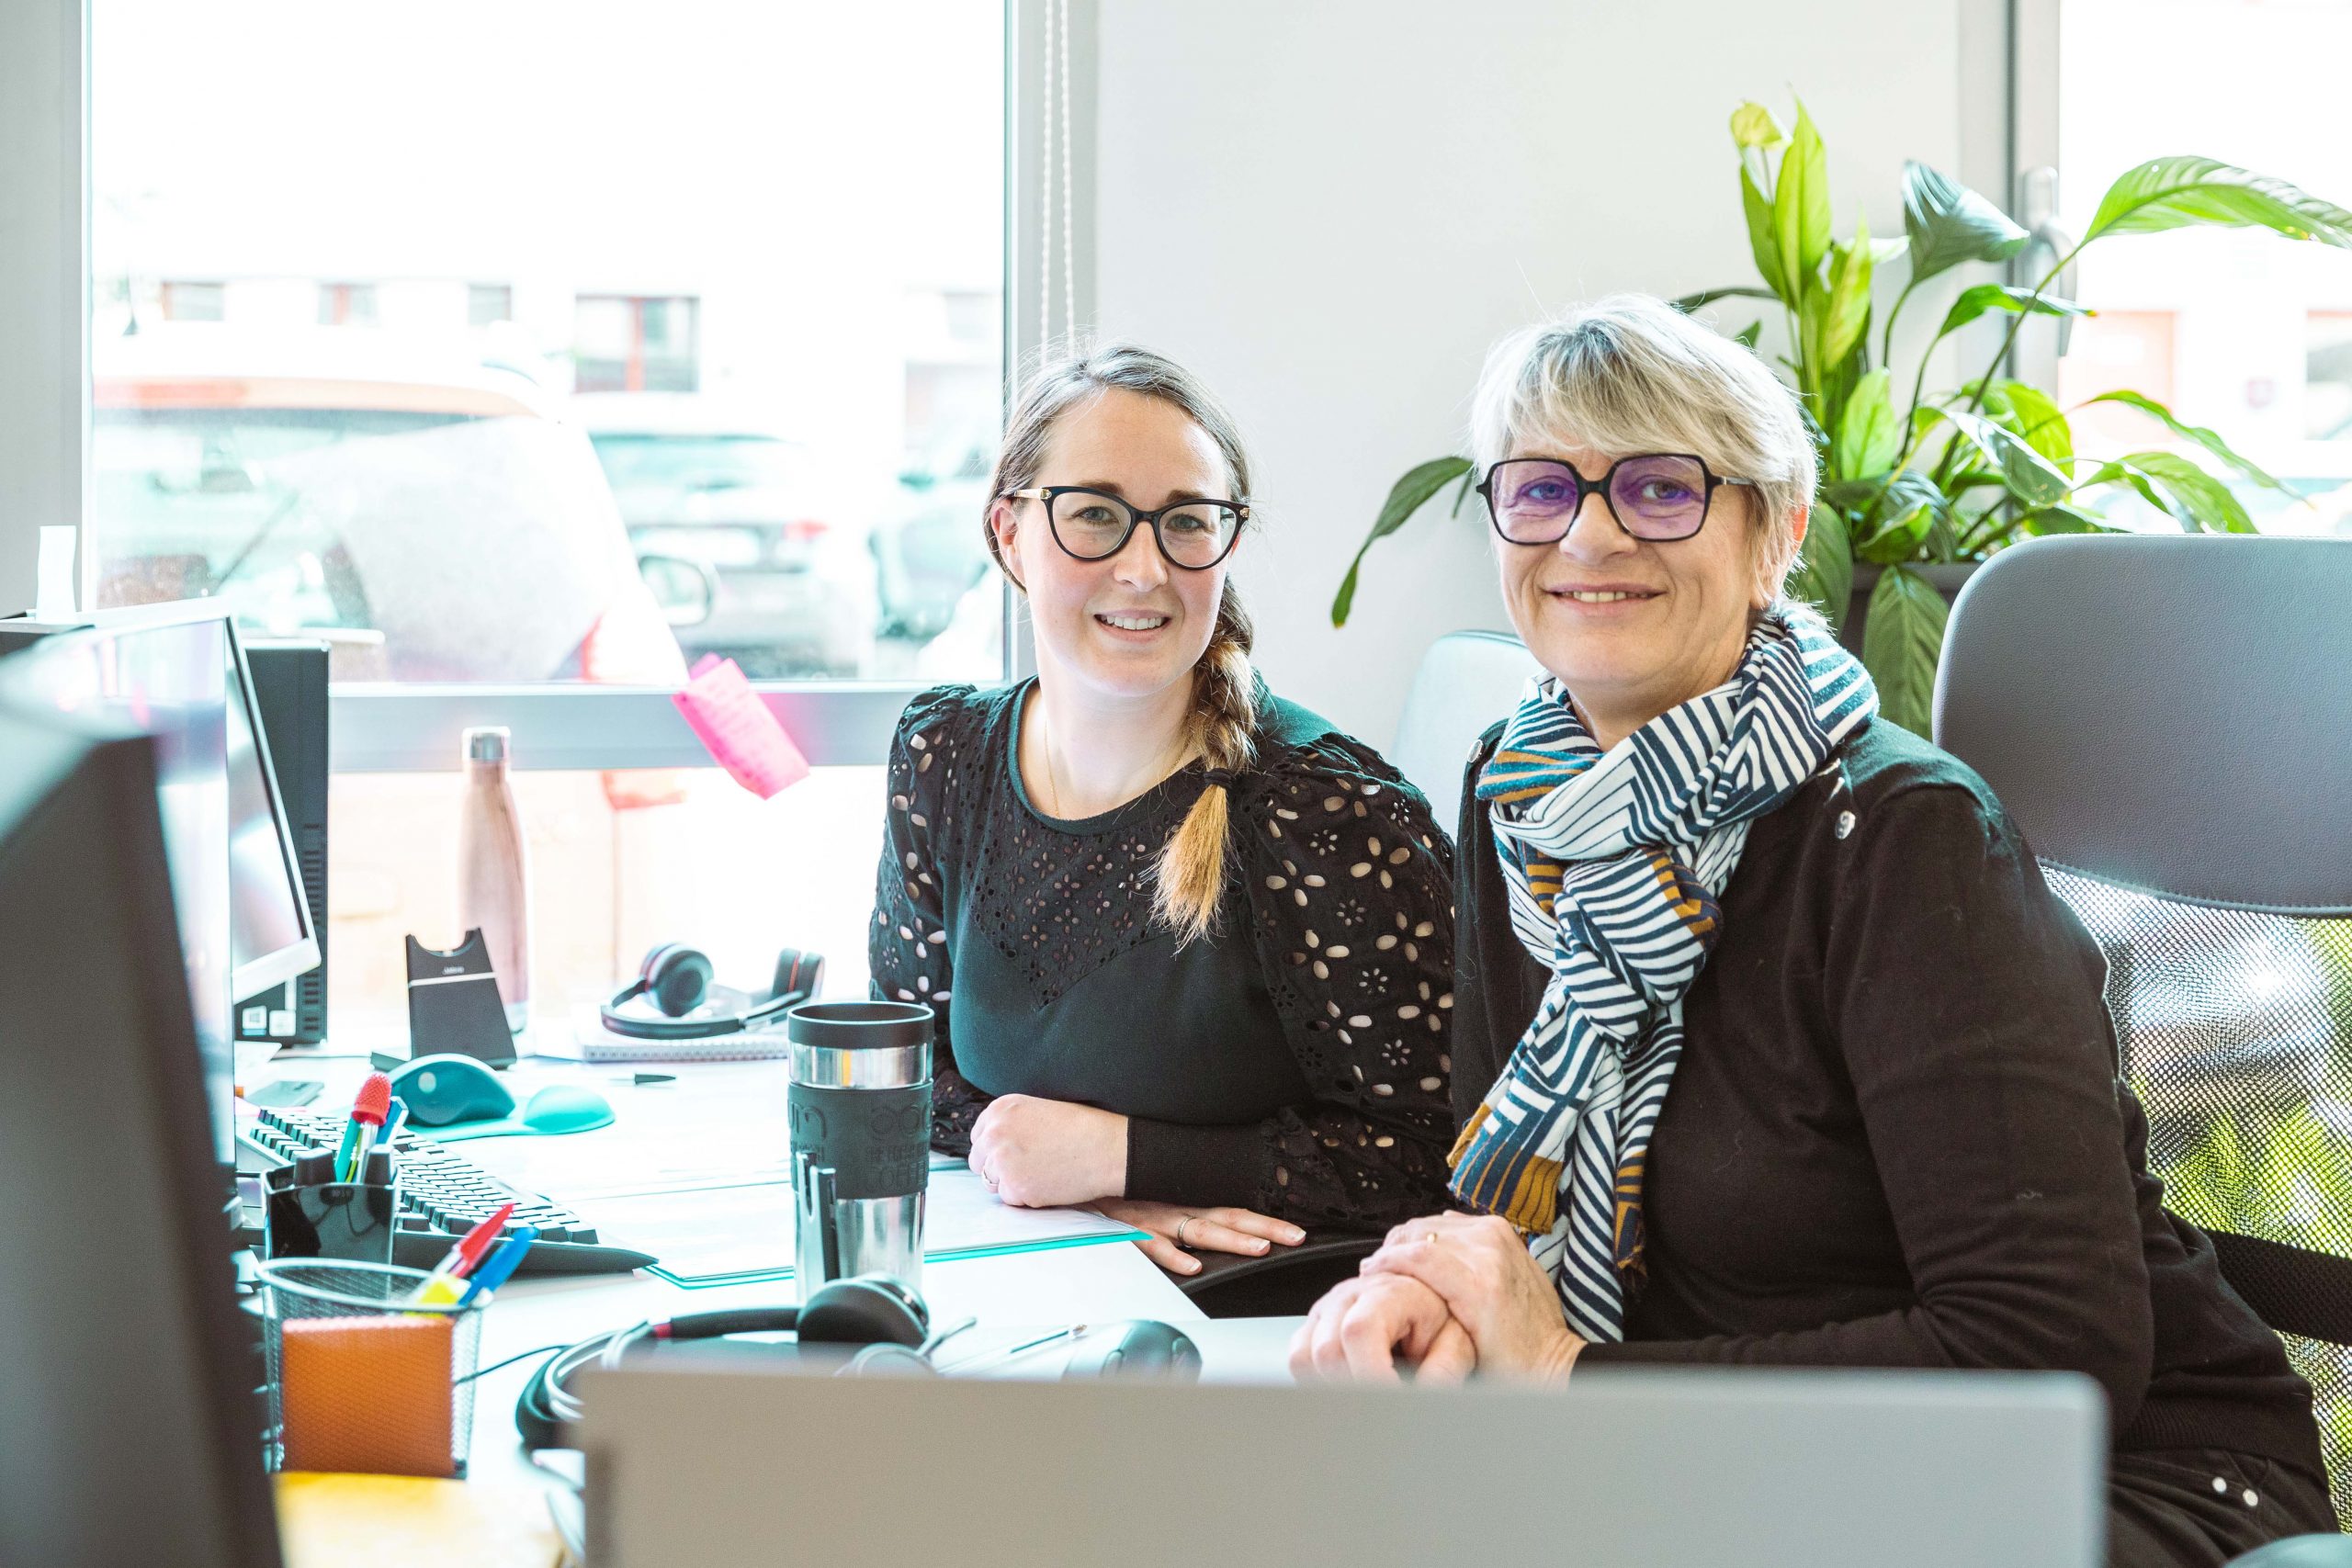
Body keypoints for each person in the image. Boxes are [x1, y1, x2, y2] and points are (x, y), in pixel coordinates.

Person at [1289, 296, 2335, 1564]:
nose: (1590, 531)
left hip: (2095, 1486)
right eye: (1541, 488)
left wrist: (1569, 1375)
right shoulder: (1517, 800)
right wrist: (1440, 1290)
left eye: (1662, 489)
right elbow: (1513, 1182)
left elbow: (2044, 1354)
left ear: (1777, 531)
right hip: (1732, 1462)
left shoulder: (1901, 838)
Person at [868, 344, 1456, 1276]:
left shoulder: (1328, 815)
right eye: (1095, 514)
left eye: (1186, 522)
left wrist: (1124, 1160)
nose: (1143, 567)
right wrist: (1082, 1189)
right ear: (1008, 532)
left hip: (1253, 1328)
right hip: (1032, 1267)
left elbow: (1445, 1156)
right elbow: (901, 1068)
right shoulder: (945, 757)